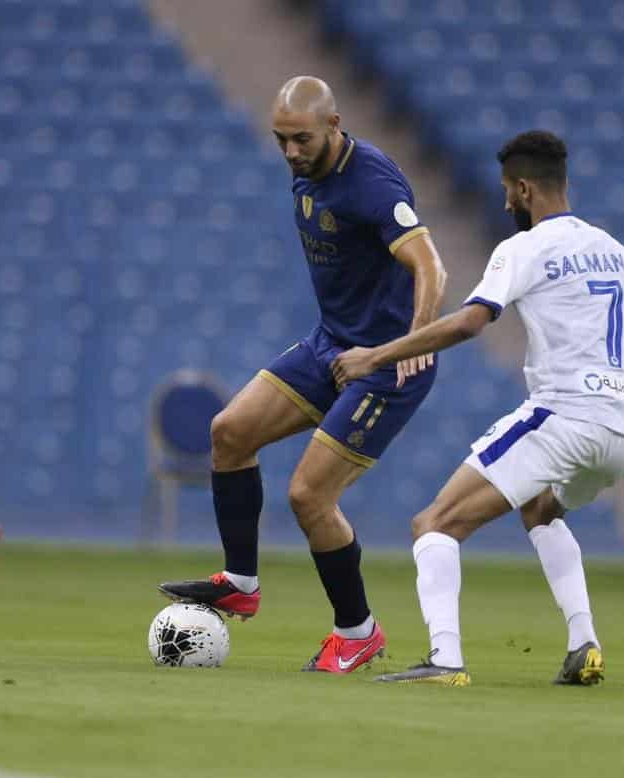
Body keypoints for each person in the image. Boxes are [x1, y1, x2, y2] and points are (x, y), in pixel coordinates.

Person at [332, 130, 624, 686]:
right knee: (541, 509)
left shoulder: (523, 248)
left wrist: (377, 355)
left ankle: (445, 660)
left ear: (523, 189)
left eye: (506, 193)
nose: (504, 203)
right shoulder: (619, 255)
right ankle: (583, 643)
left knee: (434, 525)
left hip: (565, 415)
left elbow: (471, 320)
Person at [158, 76, 448, 673]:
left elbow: (431, 265)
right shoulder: (307, 168)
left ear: (335, 125)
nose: (290, 152)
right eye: (281, 139)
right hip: (330, 344)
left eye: (302, 140)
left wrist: (412, 340)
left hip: (386, 364)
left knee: (309, 495)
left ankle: (357, 630)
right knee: (229, 432)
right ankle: (241, 581)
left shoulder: (372, 181)